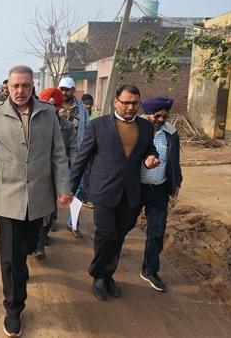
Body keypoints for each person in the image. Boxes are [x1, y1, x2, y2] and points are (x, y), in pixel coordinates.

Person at [0, 66, 71, 337]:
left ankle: (23, 260)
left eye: (26, 86)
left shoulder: (48, 113)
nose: (20, 91)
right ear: (7, 87)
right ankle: (13, 307)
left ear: (32, 87)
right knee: (10, 256)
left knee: (28, 245)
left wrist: (63, 187)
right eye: (15, 86)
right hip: (8, 195)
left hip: (39, 195)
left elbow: (58, 153)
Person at [70, 84, 160, 301]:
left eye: (135, 103)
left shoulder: (145, 127)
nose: (130, 107)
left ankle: (108, 274)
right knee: (106, 234)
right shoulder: (98, 125)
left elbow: (150, 149)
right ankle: (98, 276)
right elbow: (81, 158)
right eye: (126, 102)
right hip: (104, 190)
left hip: (130, 192)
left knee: (119, 236)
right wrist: (69, 189)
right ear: (115, 102)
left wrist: (151, 158)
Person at [139, 96, 182, 292]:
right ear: (148, 114)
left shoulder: (171, 134)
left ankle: (150, 270)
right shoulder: (135, 129)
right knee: (121, 228)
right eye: (157, 116)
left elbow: (174, 161)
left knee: (156, 232)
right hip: (135, 188)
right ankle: (107, 270)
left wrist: (177, 182)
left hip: (159, 189)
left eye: (165, 116)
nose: (161, 120)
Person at [34, 88, 78, 258]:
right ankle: (34, 237)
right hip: (36, 173)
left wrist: (73, 170)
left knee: (50, 208)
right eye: (48, 105)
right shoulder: (33, 124)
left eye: (54, 106)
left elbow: (73, 149)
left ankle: (40, 241)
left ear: (59, 107)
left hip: (56, 174)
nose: (51, 109)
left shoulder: (67, 126)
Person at [58, 76, 90, 235]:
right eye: (62, 89)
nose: (64, 93)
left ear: (73, 90)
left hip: (77, 156)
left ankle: (73, 223)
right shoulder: (54, 107)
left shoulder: (82, 110)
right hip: (57, 156)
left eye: (67, 90)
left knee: (78, 190)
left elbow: (88, 130)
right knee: (54, 189)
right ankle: (49, 221)